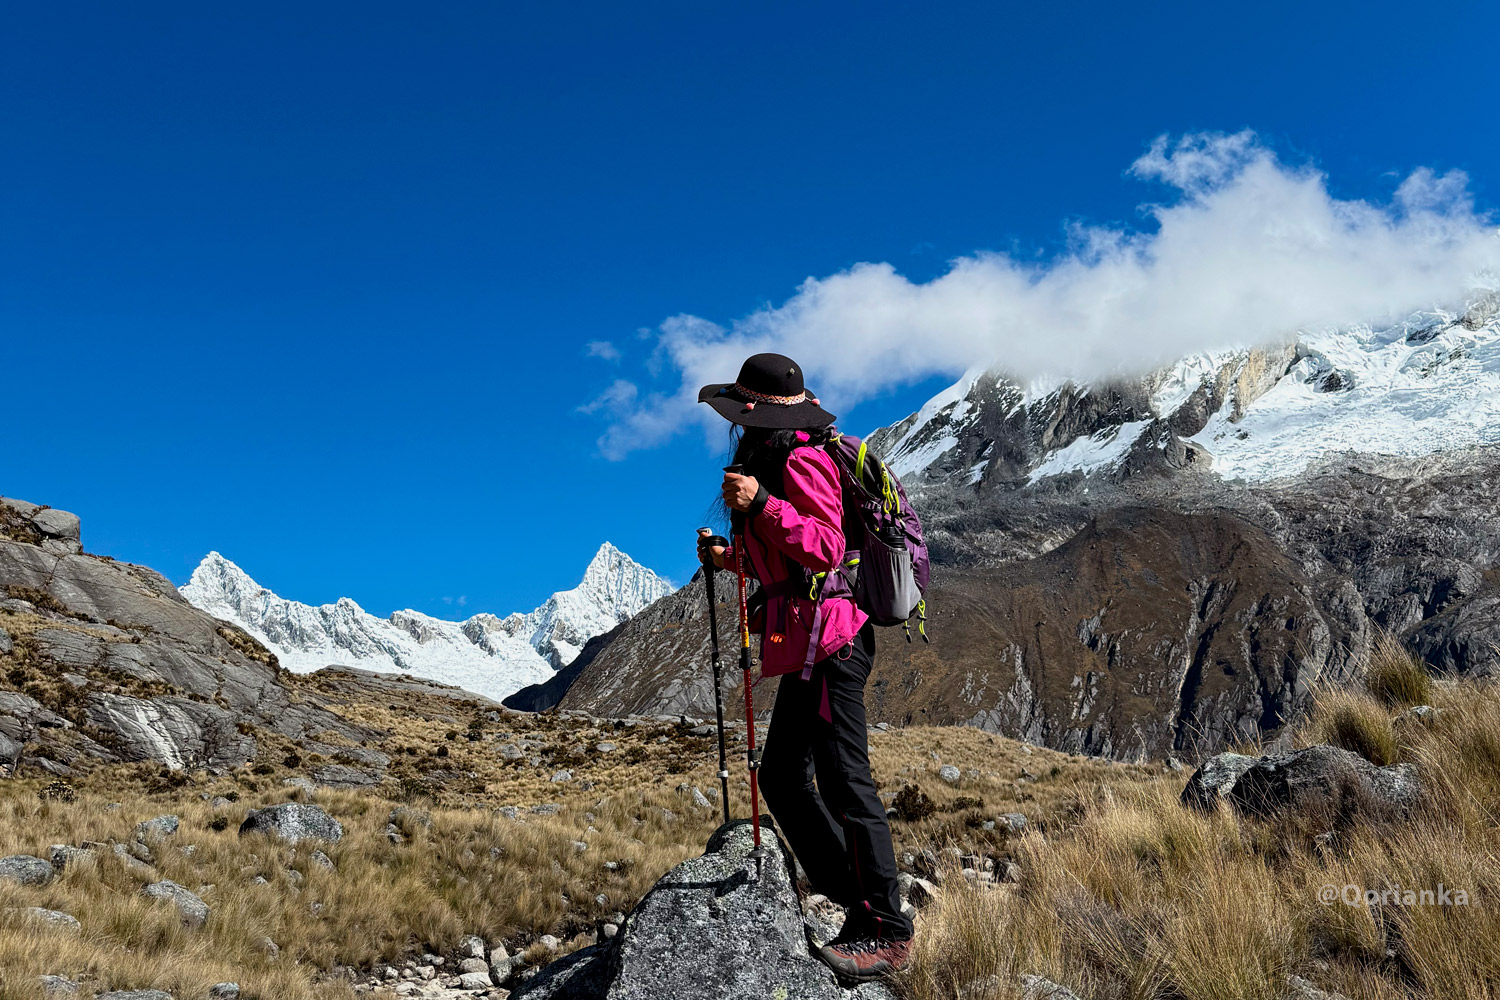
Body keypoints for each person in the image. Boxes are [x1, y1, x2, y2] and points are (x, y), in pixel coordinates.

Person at [695, 352, 914, 981]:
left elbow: (826, 545)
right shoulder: (771, 461)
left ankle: (888, 930)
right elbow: (784, 567)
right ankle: (855, 903)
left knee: (846, 783)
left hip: (834, 641)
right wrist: (728, 559)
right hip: (807, 641)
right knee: (786, 777)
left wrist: (761, 502)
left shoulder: (802, 460)